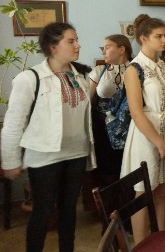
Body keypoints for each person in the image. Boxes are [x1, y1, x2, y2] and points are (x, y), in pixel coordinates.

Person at [1, 22, 96, 252]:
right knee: (43, 212)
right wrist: (11, 160)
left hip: (76, 154)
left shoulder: (80, 76)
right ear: (53, 47)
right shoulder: (29, 78)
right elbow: (13, 123)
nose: (77, 45)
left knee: (69, 211)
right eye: (71, 41)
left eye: (76, 40)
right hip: (44, 156)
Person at [120, 14, 165, 245]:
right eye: (159, 36)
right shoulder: (134, 69)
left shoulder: (162, 66)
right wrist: (159, 143)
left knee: (162, 191)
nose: (164, 40)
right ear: (143, 38)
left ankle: (161, 240)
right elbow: (136, 112)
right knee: (144, 192)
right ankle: (140, 244)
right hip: (147, 135)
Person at [88, 34, 132, 189]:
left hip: (128, 125)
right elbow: (88, 101)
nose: (103, 52)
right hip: (102, 128)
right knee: (105, 167)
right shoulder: (99, 71)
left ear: (121, 49)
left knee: (126, 164)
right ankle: (109, 201)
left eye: (107, 47)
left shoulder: (136, 70)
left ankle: (127, 198)